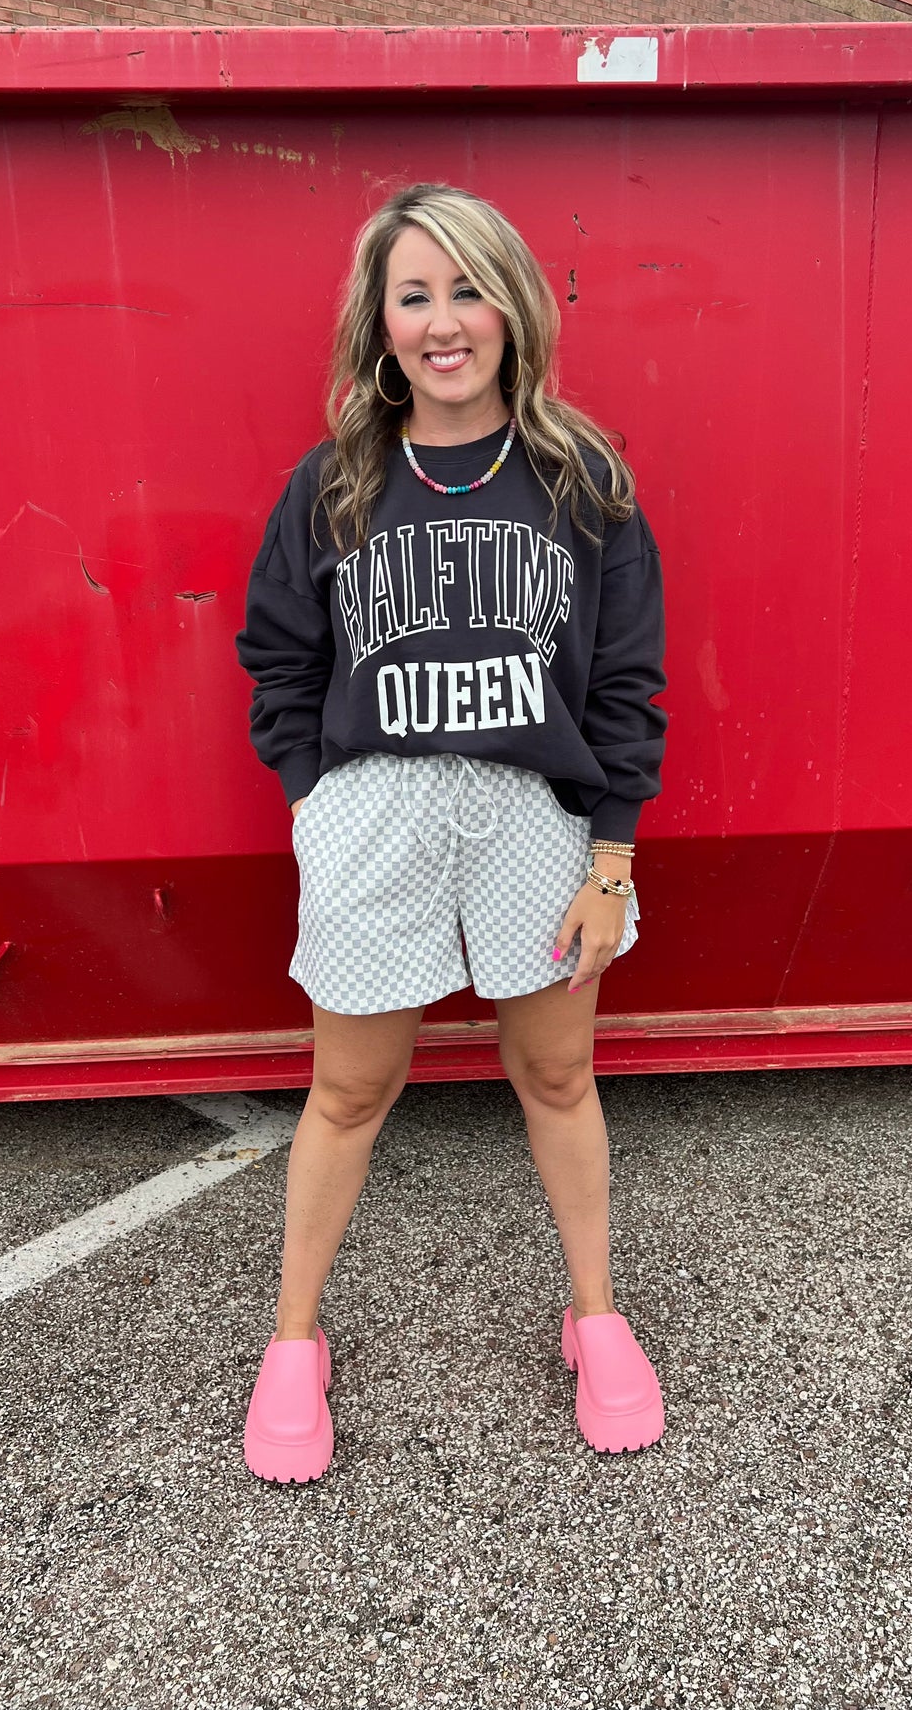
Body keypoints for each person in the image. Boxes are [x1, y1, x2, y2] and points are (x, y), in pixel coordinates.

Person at [233, 181, 670, 1482]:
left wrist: (610, 856)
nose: (442, 322)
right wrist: (316, 800)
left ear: (512, 307)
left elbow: (626, 683)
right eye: (413, 294)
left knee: (554, 1078)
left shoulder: (581, 482)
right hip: (376, 811)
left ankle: (594, 1316)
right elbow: (277, 659)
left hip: (532, 817)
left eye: (466, 289)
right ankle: (294, 1342)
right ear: (379, 323)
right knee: (350, 1089)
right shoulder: (335, 486)